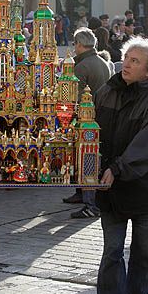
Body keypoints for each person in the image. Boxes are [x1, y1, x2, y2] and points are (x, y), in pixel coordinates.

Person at [94, 37, 148, 294]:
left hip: (143, 187)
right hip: (110, 188)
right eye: (126, 58)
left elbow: (147, 145)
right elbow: (91, 131)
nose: (127, 64)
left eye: (135, 61)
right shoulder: (106, 91)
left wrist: (118, 167)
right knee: (112, 251)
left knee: (145, 253)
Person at [66, 27, 111, 217]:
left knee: (85, 157)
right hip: (101, 116)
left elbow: (73, 96)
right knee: (89, 157)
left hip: (86, 119)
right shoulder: (102, 62)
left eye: (75, 44)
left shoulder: (82, 66)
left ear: (79, 44)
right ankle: (81, 192)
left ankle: (89, 201)